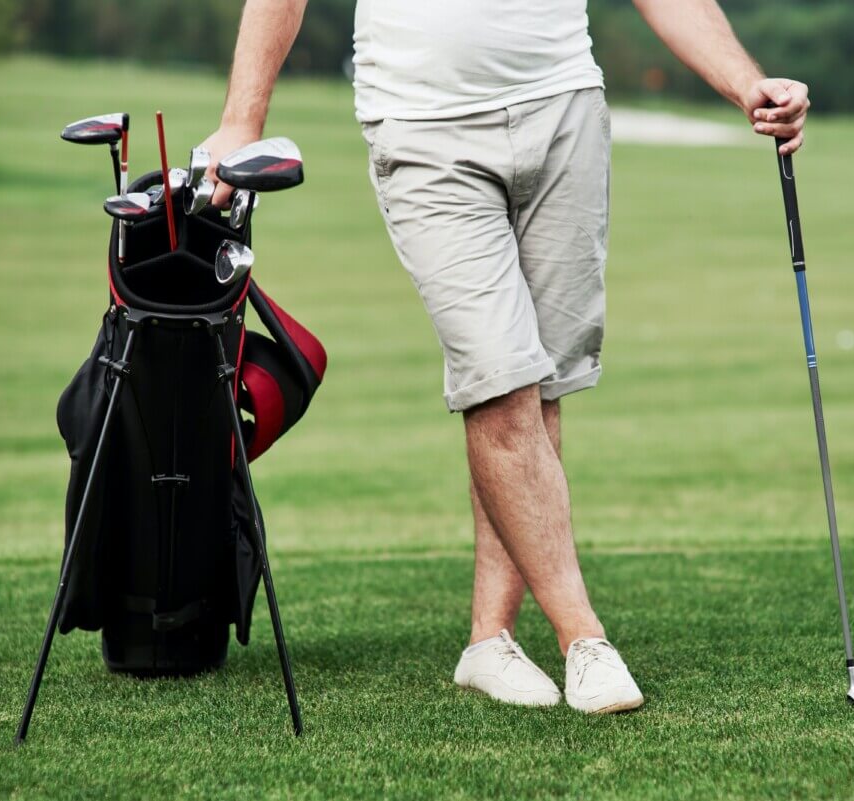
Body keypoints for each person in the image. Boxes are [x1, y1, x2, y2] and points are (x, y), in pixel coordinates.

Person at [201, 0, 809, 715]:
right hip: (422, 124)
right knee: (497, 377)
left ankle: (489, 640)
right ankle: (584, 637)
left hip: (563, 109)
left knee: (538, 385)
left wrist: (745, 82)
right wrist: (244, 121)